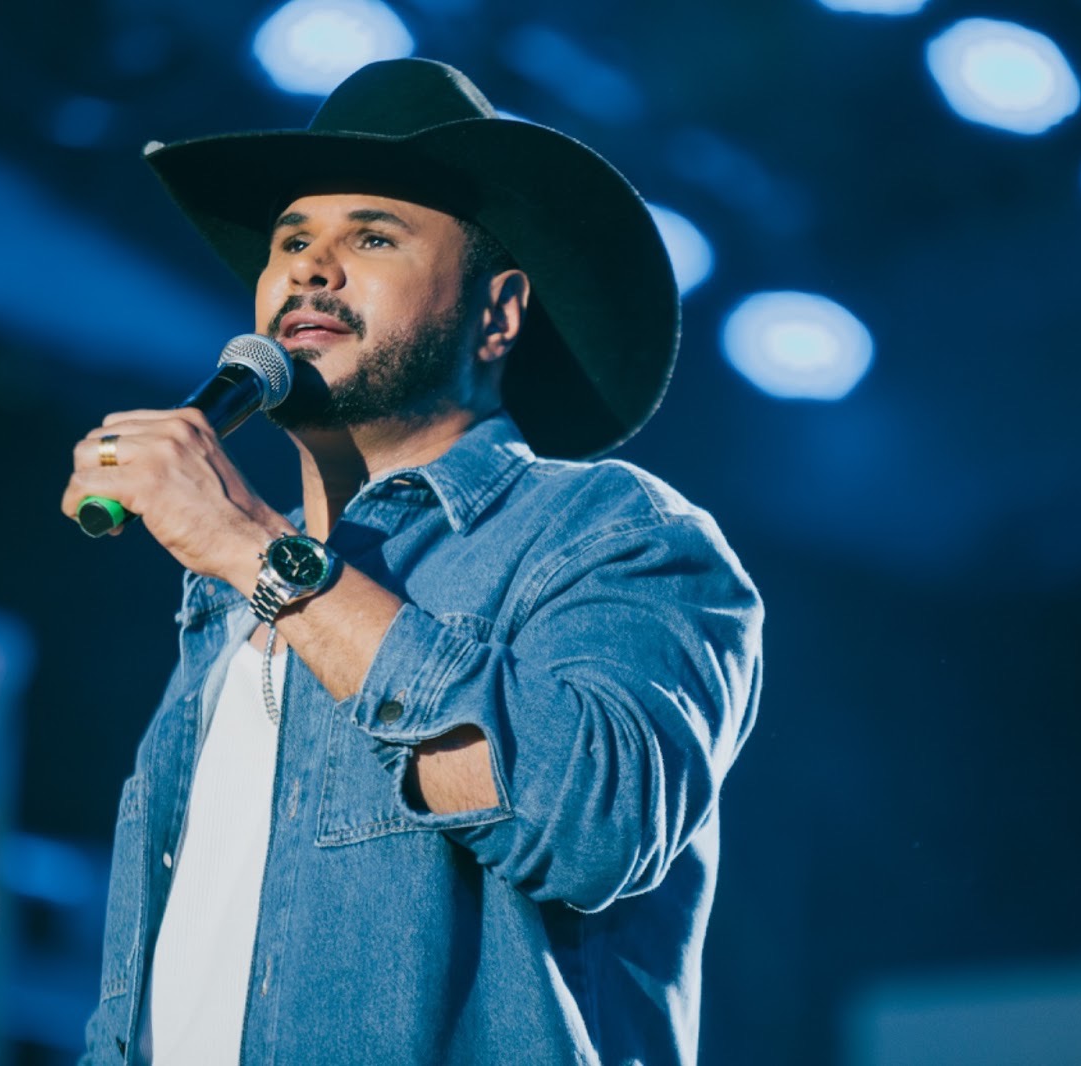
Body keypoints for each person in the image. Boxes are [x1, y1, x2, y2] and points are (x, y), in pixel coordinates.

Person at [64, 58, 763, 1065]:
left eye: (372, 238)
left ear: (498, 312)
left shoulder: (612, 531)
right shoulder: (224, 613)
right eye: (291, 241)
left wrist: (253, 549)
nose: (310, 270)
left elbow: (593, 828)